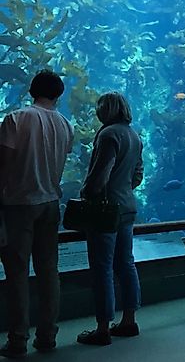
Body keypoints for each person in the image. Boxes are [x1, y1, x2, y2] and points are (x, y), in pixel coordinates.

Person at [0, 70, 74, 357]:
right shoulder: (65, 125)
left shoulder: (16, 119)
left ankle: (18, 339)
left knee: (17, 273)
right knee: (48, 271)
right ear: (58, 94)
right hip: (51, 203)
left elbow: (3, 165)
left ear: (32, 90)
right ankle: (48, 335)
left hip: (19, 203)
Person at [76, 92, 144, 346]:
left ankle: (103, 327)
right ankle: (129, 320)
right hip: (127, 207)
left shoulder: (108, 134)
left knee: (102, 268)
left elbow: (100, 175)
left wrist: (88, 193)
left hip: (106, 210)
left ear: (106, 110)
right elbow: (138, 175)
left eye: (99, 107)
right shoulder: (134, 135)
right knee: (126, 264)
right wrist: (123, 188)